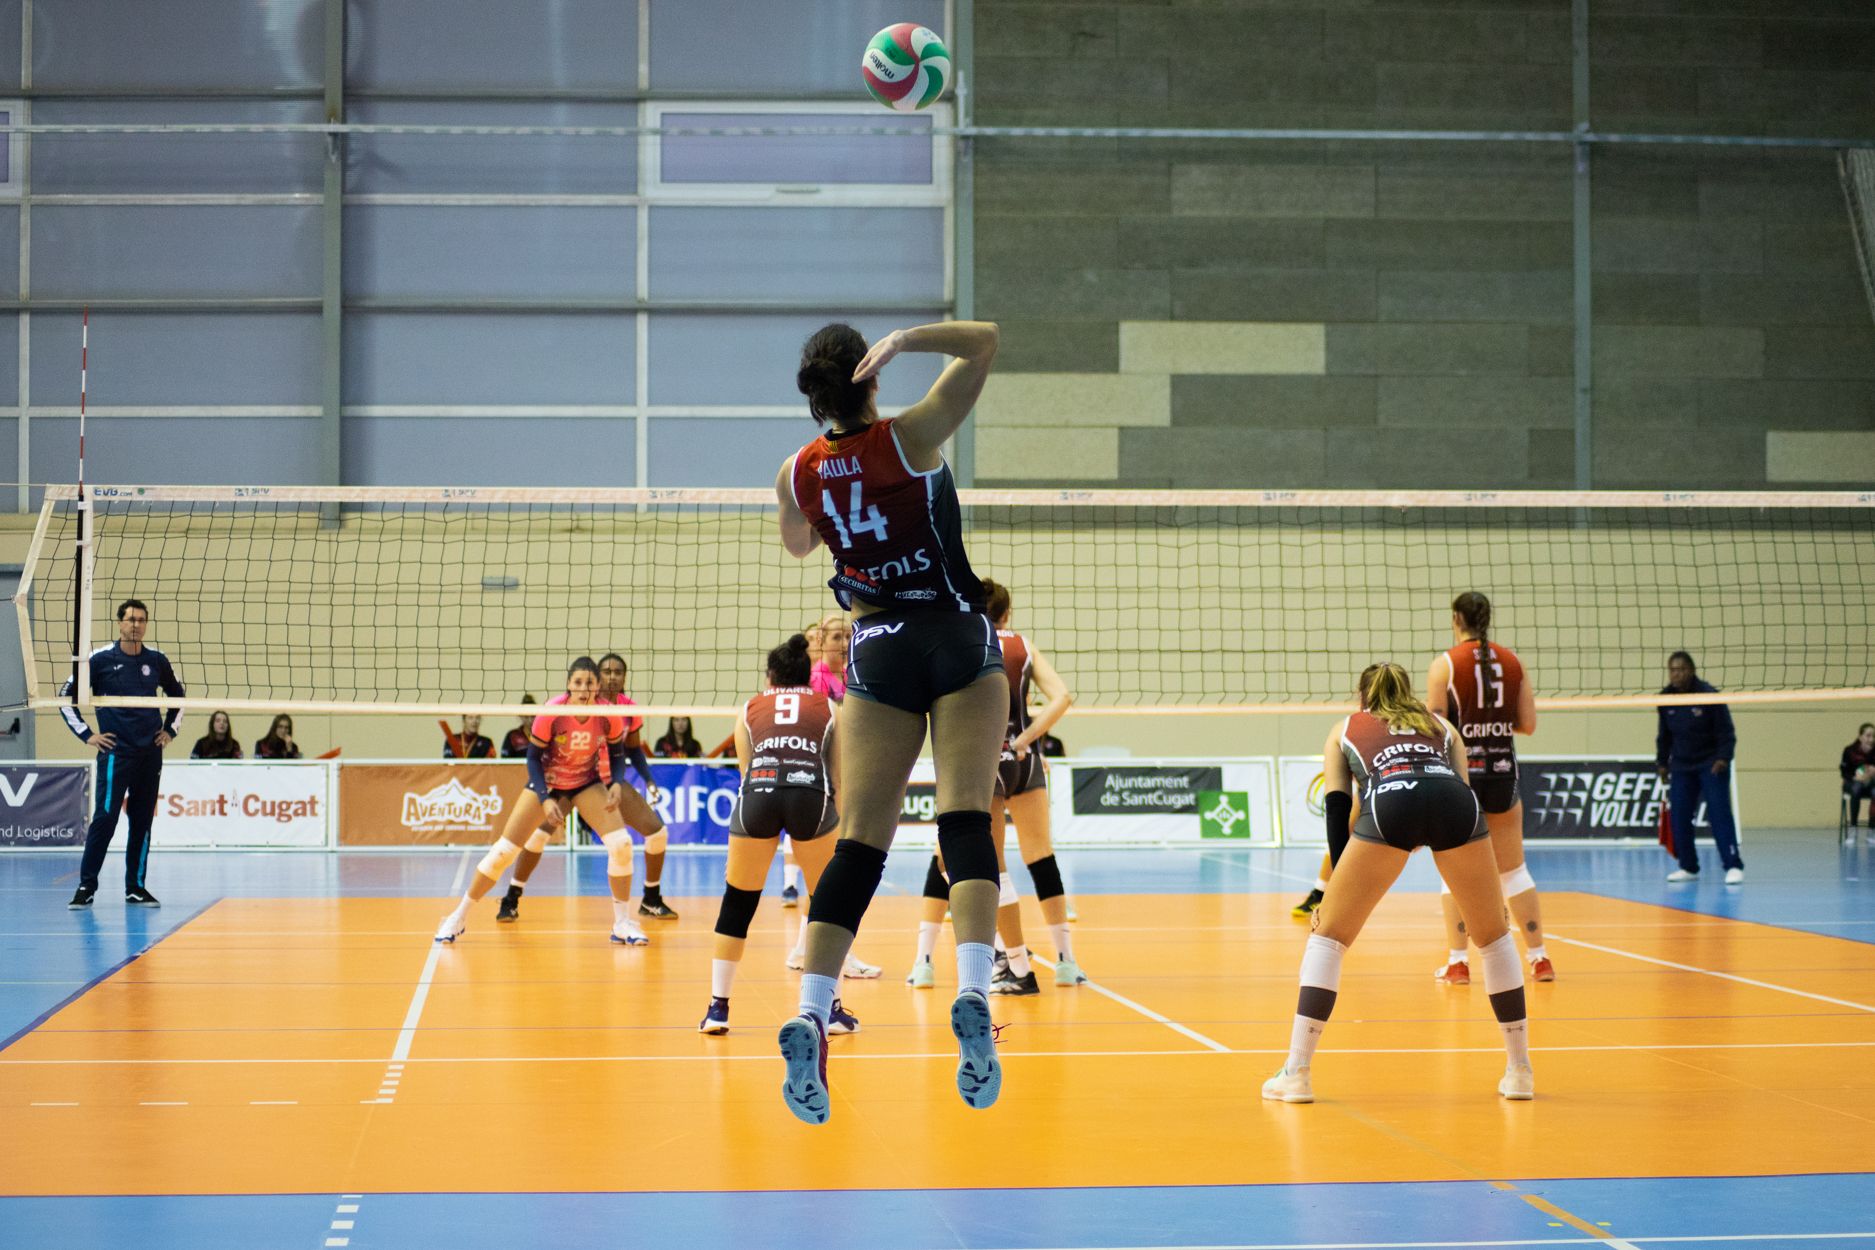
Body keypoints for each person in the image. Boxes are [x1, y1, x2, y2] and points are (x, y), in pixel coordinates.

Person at [772, 317, 1004, 1125]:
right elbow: (984, 340)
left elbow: (799, 546)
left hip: (876, 646)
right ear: (869, 377)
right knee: (965, 819)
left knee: (860, 844)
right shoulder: (910, 438)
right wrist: (906, 339)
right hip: (954, 633)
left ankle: (811, 1010)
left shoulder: (796, 471)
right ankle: (973, 991)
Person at [1262, 662, 1534, 1104]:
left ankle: (1297, 1072)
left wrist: (1335, 888)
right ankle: (1520, 1071)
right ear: (1408, 693)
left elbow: (1337, 807)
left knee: (1327, 939)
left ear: (1362, 697)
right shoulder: (1443, 726)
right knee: (1495, 938)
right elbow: (1462, 791)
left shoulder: (1345, 729)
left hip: (1390, 802)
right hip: (1455, 804)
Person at [908, 577, 1083, 995]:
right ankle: (1066, 962)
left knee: (971, 860)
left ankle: (937, 962)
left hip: (980, 760)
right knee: (1041, 856)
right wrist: (1027, 739)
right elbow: (1062, 696)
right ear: (1007, 614)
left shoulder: (960, 641)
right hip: (1024, 759)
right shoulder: (1023, 645)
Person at [700, 634, 860, 1037]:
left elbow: (746, 771)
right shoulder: (829, 706)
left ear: (770, 676)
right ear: (808, 676)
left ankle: (718, 1008)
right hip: (811, 796)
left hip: (759, 794)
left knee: (737, 903)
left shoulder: (750, 707)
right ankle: (830, 1009)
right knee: (827, 905)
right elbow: (838, 777)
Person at [435, 657, 650, 947]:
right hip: (548, 781)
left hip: (585, 782)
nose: (583, 689)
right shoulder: (552, 711)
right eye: (577, 682)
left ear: (598, 686)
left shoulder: (607, 714)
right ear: (568, 684)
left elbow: (617, 754)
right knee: (504, 852)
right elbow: (533, 758)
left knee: (622, 844)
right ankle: (458, 916)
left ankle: (622, 923)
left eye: (589, 683)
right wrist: (545, 799)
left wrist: (615, 783)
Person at [1426, 592, 1553, 984]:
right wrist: (1493, 724)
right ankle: (1540, 958)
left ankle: (1458, 963)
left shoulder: (1444, 664)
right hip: (1502, 773)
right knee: (1514, 871)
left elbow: (1436, 730)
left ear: (1456, 618)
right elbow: (1528, 724)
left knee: (1453, 873)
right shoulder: (1513, 662)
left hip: (1461, 778)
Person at [496, 661, 669, 923]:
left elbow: (632, 749)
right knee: (538, 836)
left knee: (657, 832)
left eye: (618, 672)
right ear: (598, 679)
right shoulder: (577, 704)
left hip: (606, 783)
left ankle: (651, 898)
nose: (612, 677)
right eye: (607, 672)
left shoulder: (628, 709)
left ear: (624, 678)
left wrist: (648, 779)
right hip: (568, 779)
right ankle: (512, 896)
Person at [60, 598, 186, 909]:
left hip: (149, 754)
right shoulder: (99, 659)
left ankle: (135, 887)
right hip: (116, 753)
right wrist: (88, 735)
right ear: (119, 623)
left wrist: (170, 730)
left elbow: (178, 697)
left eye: (141, 620)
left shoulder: (157, 660)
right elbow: (65, 697)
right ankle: (86, 886)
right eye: (130, 619)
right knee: (105, 819)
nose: (135, 625)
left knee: (142, 821)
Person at [1656, 651, 1743, 884]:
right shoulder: (1665, 698)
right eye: (1672, 670)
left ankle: (1733, 865)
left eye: (1681, 669)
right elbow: (1664, 735)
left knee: (1719, 814)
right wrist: (1662, 762)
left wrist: (1723, 758)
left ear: (1691, 670)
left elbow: (1726, 731)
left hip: (1710, 763)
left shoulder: (1708, 695)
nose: (1676, 674)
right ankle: (1688, 867)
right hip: (1682, 765)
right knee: (1679, 816)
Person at [1842, 723, 1875, 831]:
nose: (1871, 739)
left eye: (1873, 736)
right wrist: (1854, 778)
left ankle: (1872, 829)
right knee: (1856, 788)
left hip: (1871, 784)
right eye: (1868, 736)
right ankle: (1853, 827)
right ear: (1860, 737)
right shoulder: (1849, 750)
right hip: (1852, 783)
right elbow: (1844, 772)